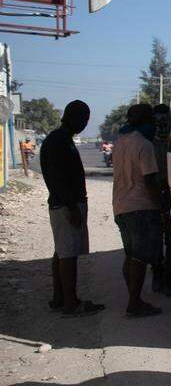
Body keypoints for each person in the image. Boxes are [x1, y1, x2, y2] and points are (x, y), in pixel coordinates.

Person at [39, 101, 104, 317]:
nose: (85, 124)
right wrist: (72, 206)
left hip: (63, 204)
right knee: (68, 255)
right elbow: (58, 179)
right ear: (72, 117)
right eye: (84, 119)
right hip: (65, 206)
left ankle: (60, 298)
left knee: (62, 251)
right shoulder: (58, 142)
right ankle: (70, 303)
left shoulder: (59, 139)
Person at [112, 103, 165, 318]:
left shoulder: (119, 142)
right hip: (141, 206)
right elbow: (150, 179)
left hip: (120, 206)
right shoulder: (144, 145)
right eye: (152, 121)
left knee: (131, 255)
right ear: (146, 121)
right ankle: (134, 303)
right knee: (141, 258)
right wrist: (161, 206)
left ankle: (133, 297)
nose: (155, 125)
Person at [150, 104, 171, 297]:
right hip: (154, 196)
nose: (162, 126)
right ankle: (158, 275)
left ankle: (169, 278)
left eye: (165, 122)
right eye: (158, 122)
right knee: (156, 241)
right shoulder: (148, 144)